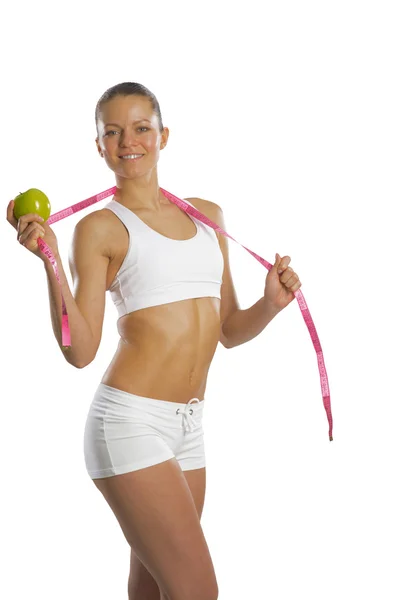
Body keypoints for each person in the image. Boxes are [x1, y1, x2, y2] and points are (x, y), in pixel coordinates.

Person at [6, 81, 302, 600]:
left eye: (141, 128)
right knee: (197, 591)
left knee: (155, 591)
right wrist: (50, 261)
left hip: (189, 428)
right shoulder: (99, 228)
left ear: (163, 135)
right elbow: (80, 350)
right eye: (113, 132)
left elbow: (229, 330)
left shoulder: (207, 215)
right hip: (128, 423)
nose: (128, 142)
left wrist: (271, 306)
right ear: (98, 146)